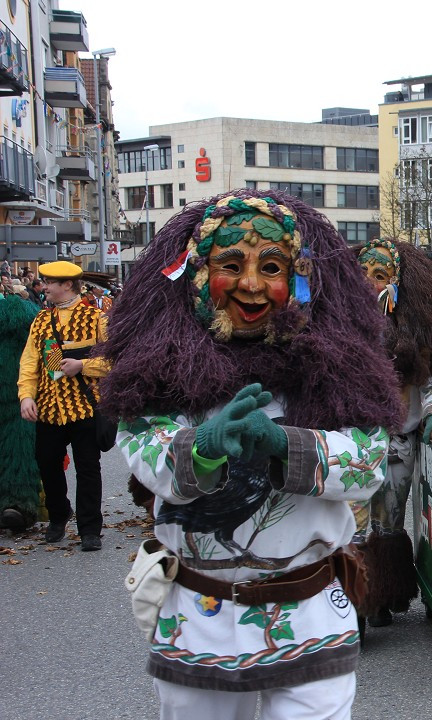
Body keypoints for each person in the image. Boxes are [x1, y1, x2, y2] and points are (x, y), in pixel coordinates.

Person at [99, 189, 402, 718]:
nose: (252, 284)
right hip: (198, 618)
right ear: (197, 277)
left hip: (309, 616)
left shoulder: (342, 376)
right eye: (231, 264)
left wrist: (286, 444)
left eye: (271, 266)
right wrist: (204, 447)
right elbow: (146, 451)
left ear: (301, 281)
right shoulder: (160, 376)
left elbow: (368, 462)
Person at [352, 238, 432, 628]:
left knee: (388, 518)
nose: (369, 283)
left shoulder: (419, 330)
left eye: (379, 275)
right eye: (362, 274)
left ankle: (384, 593)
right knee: (350, 519)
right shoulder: (337, 322)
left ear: (397, 283)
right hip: (347, 440)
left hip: (398, 439)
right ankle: (351, 598)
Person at [17, 261, 109, 551]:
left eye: (50, 283)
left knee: (88, 468)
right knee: (47, 464)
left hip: (85, 406)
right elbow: (31, 362)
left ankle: (90, 528)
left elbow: (115, 361)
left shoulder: (97, 319)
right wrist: (26, 396)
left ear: (67, 285)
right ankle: (59, 515)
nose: (44, 287)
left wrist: (84, 364)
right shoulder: (43, 320)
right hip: (48, 408)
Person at [0, 291, 42, 533]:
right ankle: (18, 505)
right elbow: (50, 358)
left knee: (18, 451)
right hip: (21, 398)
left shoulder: (28, 318)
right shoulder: (32, 317)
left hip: (21, 399)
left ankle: (18, 506)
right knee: (19, 453)